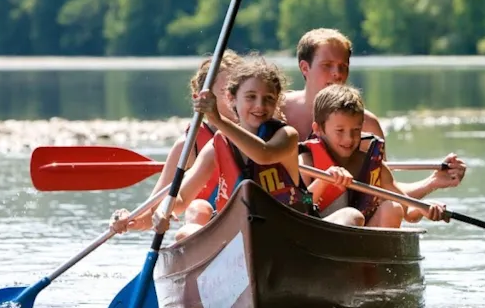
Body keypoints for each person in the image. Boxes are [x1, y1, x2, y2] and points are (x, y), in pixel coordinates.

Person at [116, 54, 311, 242]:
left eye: (268, 98)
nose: (260, 105)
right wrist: (163, 209)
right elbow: (182, 196)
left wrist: (217, 119)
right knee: (189, 225)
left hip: (284, 229)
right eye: (251, 97)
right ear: (232, 98)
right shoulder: (217, 146)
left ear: (277, 101)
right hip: (239, 233)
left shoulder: (286, 136)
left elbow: (263, 154)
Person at [281, 28, 467, 199]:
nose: (337, 73)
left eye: (343, 66)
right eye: (327, 65)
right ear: (305, 68)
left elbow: (387, 192)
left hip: (340, 216)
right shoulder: (276, 109)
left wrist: (433, 182)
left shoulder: (367, 124)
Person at [110, 50, 241, 233]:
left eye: (239, 91)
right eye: (226, 92)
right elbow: (153, 211)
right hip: (207, 227)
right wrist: (129, 220)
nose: (235, 99)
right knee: (198, 208)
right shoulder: (188, 146)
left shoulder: (257, 133)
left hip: (248, 219)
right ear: (201, 99)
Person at [300, 84, 447, 229]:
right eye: (340, 131)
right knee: (351, 215)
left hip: (361, 240)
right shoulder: (306, 161)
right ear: (318, 129)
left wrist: (425, 209)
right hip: (318, 232)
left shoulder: (375, 168)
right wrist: (322, 180)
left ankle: (380, 252)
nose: (349, 139)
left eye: (356, 130)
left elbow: (408, 211)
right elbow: (301, 204)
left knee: (393, 207)